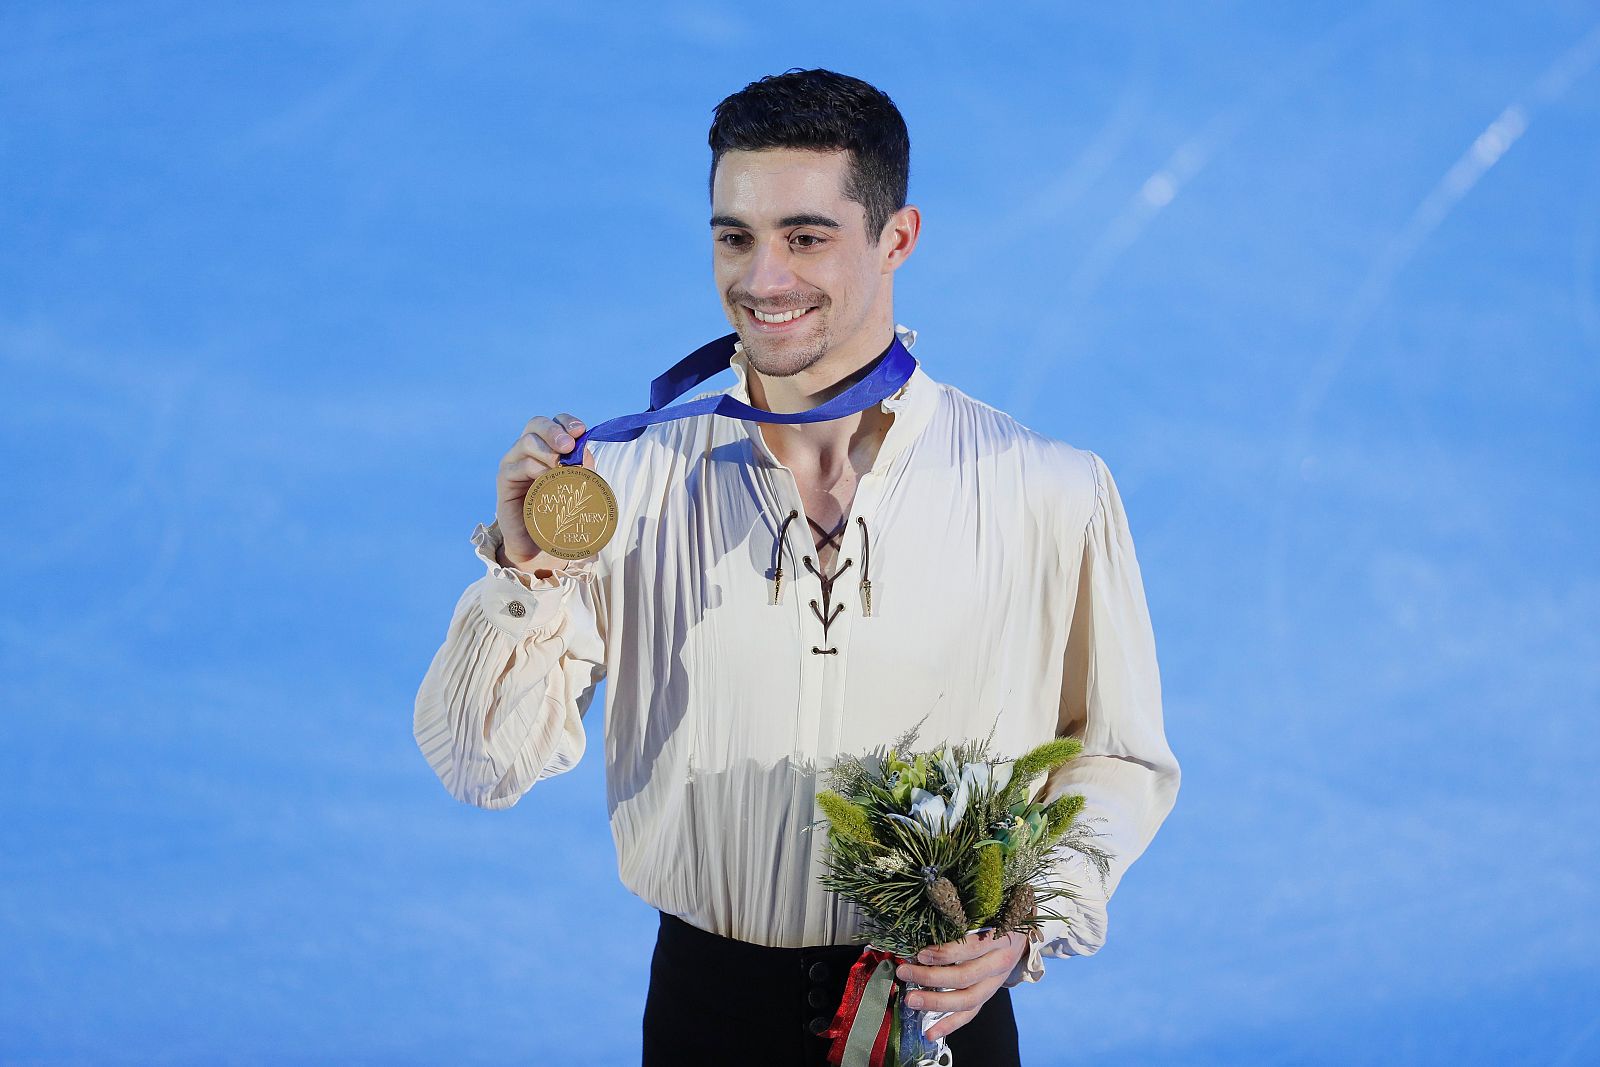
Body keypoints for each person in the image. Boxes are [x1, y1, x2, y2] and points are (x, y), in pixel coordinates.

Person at [413, 68, 1180, 1066]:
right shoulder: (629, 486)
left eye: (804, 236)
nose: (761, 278)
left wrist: (1030, 916)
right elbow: (479, 763)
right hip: (705, 1017)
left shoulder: (1048, 489)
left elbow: (1116, 755)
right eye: (735, 236)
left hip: (935, 1020)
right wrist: (526, 569)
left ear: (896, 238)